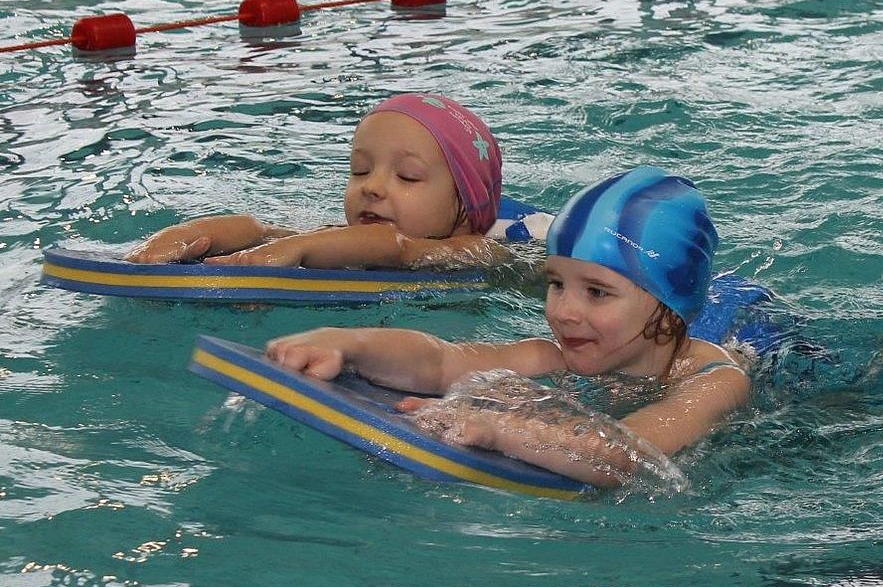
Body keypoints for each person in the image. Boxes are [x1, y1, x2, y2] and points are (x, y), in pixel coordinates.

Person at [265, 166, 751, 489]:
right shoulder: (560, 354)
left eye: (596, 292)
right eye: (557, 284)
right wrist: (349, 344)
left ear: (668, 309)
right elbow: (440, 360)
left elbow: (631, 455)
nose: (563, 311)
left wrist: (502, 430)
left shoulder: (715, 381)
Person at [125, 93, 505, 269]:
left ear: (465, 206)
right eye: (359, 170)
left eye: (407, 176)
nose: (371, 187)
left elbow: (399, 249)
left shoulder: (478, 251)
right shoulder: (343, 236)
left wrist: (300, 249)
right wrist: (194, 232)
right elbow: (268, 232)